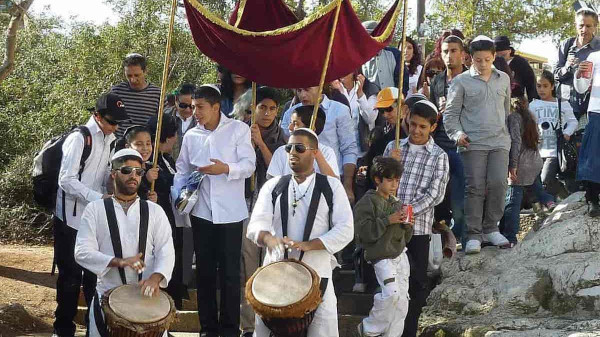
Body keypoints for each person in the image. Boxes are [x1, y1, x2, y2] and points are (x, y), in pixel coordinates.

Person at [246, 128, 354, 337]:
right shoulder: (273, 185)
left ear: (314, 152)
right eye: (289, 148)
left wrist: (309, 245)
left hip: (318, 273)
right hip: (275, 273)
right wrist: (269, 239)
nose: (292, 152)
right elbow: (255, 224)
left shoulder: (331, 186)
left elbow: (346, 229)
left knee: (322, 330)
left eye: (299, 148)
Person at [173, 85, 256, 337]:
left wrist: (226, 169)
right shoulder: (191, 135)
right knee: (206, 274)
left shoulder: (238, 129)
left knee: (231, 274)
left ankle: (230, 329)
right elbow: (182, 169)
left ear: (216, 107)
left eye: (200, 107)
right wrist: (180, 196)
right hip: (202, 212)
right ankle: (207, 329)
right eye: (192, 106)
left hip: (231, 213)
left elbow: (249, 165)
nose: (195, 112)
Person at [74, 149, 175, 337]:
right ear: (114, 173)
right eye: (127, 170)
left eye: (139, 172)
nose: (134, 176)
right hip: (107, 295)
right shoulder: (95, 209)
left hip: (148, 300)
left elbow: (166, 250)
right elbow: (81, 251)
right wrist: (118, 261)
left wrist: (155, 279)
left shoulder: (155, 211)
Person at [52, 93, 129, 337]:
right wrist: (97, 198)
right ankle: (62, 329)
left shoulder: (111, 139)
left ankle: (93, 328)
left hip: (96, 219)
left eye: (118, 122)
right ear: (97, 116)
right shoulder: (79, 139)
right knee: (70, 278)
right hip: (70, 220)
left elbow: (104, 173)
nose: (115, 127)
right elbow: (66, 180)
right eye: (111, 121)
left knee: (95, 276)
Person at [383, 100, 449, 337]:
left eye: (422, 126)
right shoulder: (394, 147)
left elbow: (436, 194)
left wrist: (407, 212)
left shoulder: (439, 156)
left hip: (418, 230)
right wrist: (391, 163)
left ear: (433, 126)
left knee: (416, 283)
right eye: (413, 125)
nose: (416, 131)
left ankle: (409, 331)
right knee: (388, 282)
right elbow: (379, 185)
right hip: (389, 229)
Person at [444, 36, 512, 254]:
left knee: (499, 183)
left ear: (493, 57)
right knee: (475, 188)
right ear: (469, 58)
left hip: (499, 141)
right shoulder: (460, 82)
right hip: (472, 143)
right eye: (477, 60)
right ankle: (473, 234)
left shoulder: (503, 79)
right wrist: (457, 134)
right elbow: (450, 115)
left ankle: (491, 228)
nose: (482, 64)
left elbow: (507, 110)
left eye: (487, 59)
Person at [239, 87, 287, 337]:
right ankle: (248, 325)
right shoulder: (240, 131)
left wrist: (260, 143)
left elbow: (278, 171)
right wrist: (248, 141)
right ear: (254, 109)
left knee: (270, 265)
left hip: (272, 206)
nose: (267, 113)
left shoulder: (285, 137)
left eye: (272, 109)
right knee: (248, 264)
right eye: (262, 107)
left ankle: (269, 321)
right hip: (245, 205)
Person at [354, 156, 412, 337]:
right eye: (389, 180)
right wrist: (388, 220)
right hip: (381, 257)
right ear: (377, 180)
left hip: (400, 255)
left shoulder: (397, 203)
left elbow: (406, 237)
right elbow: (364, 233)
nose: (394, 184)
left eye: (396, 180)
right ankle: (369, 328)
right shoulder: (367, 202)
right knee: (391, 294)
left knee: (403, 302)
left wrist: (407, 224)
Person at [280, 86, 359, 203]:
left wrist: (347, 186)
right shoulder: (290, 113)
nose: (302, 95)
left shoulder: (339, 110)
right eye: (299, 90)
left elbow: (349, 149)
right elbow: (287, 146)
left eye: (307, 89)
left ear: (320, 88)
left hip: (331, 177)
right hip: (297, 180)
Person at [145, 114, 190, 310]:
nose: (177, 139)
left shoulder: (167, 159)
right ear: (168, 136)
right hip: (158, 221)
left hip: (174, 219)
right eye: (175, 135)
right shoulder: (149, 163)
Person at [429, 34, 468, 245]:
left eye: (453, 51)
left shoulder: (472, 78)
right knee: (438, 197)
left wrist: (456, 109)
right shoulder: (437, 81)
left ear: (463, 55)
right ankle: (444, 240)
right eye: (445, 51)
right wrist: (438, 112)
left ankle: (461, 236)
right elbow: (430, 116)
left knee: (460, 199)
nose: (449, 55)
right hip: (440, 145)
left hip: (463, 145)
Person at [499, 94, 543, 246]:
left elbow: (516, 141)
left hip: (521, 164)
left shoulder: (513, 118)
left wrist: (513, 165)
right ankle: (548, 203)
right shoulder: (530, 117)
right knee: (537, 190)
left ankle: (510, 237)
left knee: (512, 201)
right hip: (534, 162)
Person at [530, 70, 578, 201]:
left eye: (545, 86)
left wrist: (567, 133)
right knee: (539, 181)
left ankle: (563, 198)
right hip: (538, 150)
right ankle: (556, 201)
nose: (541, 89)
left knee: (546, 178)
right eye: (539, 86)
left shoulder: (562, 104)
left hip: (555, 149)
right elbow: (528, 125)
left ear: (552, 86)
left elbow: (573, 121)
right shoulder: (533, 105)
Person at [554, 7, 600, 121]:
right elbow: (555, 75)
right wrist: (567, 66)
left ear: (595, 26)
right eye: (581, 26)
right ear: (575, 25)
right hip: (565, 104)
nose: (584, 30)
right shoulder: (566, 44)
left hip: (591, 106)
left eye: (588, 26)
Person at [269, 105, 338, 178]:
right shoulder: (281, 151)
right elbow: (273, 183)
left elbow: (333, 183)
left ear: (311, 128)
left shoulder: (327, 152)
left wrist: (316, 152)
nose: (290, 127)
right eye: (290, 123)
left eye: (295, 124)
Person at [573, 45, 600, 217]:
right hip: (598, 110)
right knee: (593, 156)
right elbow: (582, 87)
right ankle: (593, 199)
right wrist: (578, 74)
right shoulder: (595, 56)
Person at [110, 53, 161, 138]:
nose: (133, 80)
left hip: (144, 147)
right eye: (129, 76)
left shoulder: (157, 94)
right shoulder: (116, 92)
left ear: (145, 71)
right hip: (119, 146)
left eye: (137, 75)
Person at [331, 71, 379, 157]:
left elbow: (370, 119)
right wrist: (337, 94)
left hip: (362, 150)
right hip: (340, 149)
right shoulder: (333, 89)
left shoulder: (369, 88)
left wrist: (360, 95)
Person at [361, 20, 410, 95]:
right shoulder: (360, 58)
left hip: (393, 101)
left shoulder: (395, 54)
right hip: (370, 103)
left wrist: (398, 100)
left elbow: (403, 81)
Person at [120, 125, 159, 203]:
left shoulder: (153, 168)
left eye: (148, 144)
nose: (145, 148)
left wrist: (155, 198)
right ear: (128, 147)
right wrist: (146, 179)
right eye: (139, 144)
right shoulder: (124, 169)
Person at [494, 36, 539, 101]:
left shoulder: (521, 63)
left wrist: (532, 102)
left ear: (510, 51)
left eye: (504, 55)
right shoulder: (492, 64)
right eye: (498, 56)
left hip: (516, 101)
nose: (501, 59)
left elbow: (531, 84)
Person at [167, 83, 197, 160]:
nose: (188, 110)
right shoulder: (164, 118)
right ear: (176, 101)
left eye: (192, 106)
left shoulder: (203, 120)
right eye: (183, 105)